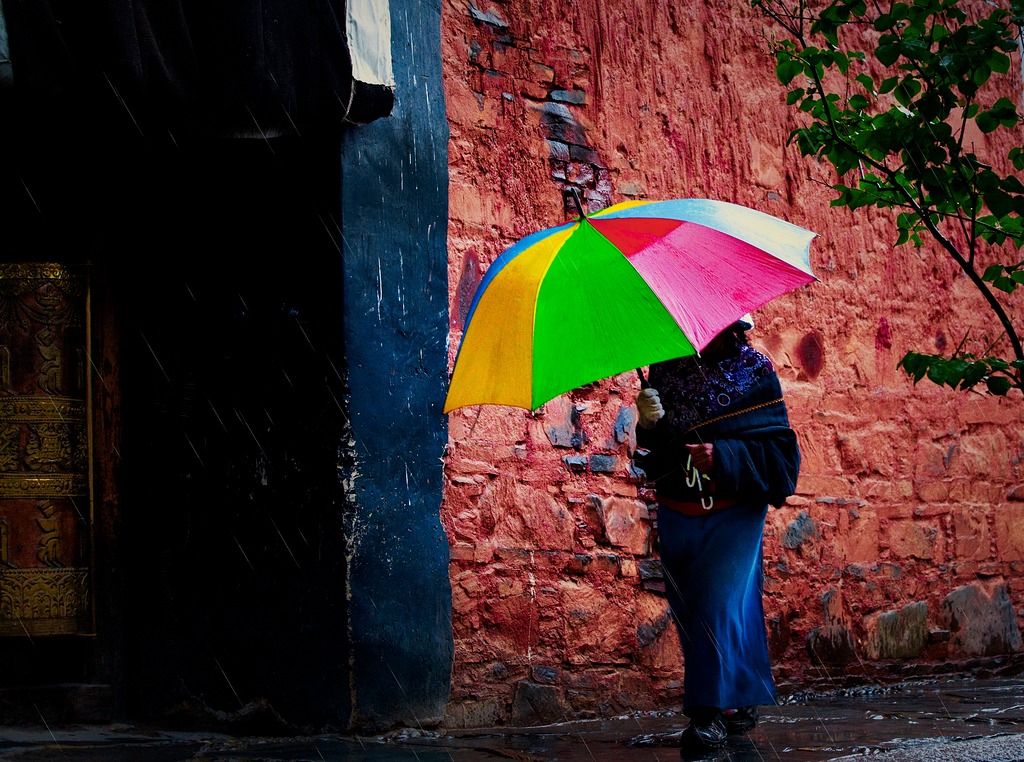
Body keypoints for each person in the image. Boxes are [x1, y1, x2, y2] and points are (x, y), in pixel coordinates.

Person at [633, 315, 800, 758]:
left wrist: (722, 455)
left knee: (716, 604)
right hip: (678, 512)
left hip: (734, 512)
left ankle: (707, 717)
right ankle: (738, 698)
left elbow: (782, 459)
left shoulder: (755, 372)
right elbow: (651, 459)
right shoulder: (664, 370)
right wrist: (647, 425)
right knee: (694, 611)